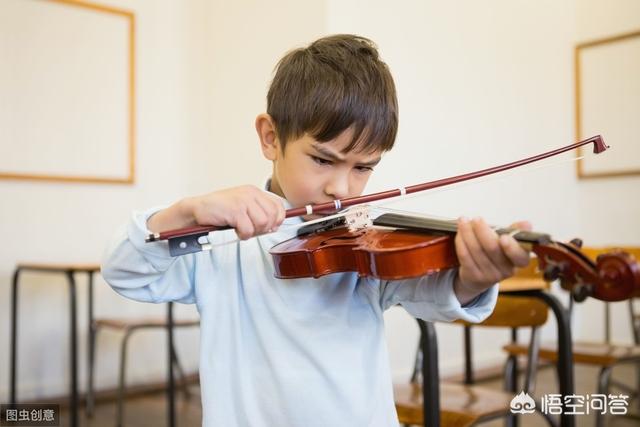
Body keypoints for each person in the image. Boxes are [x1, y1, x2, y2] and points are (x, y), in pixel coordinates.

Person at [101, 34, 530, 427]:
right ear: (271, 138)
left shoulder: (365, 243)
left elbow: (431, 293)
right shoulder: (223, 241)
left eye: (363, 168)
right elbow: (124, 270)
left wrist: (471, 279)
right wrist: (186, 211)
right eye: (323, 160)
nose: (340, 188)